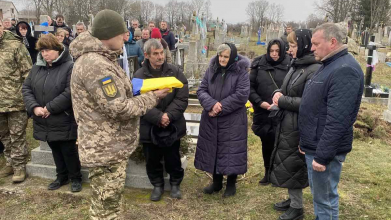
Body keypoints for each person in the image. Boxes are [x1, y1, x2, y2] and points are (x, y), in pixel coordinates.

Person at [69, 10, 169, 219]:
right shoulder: (95, 65)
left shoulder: (101, 59)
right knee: (106, 210)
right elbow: (119, 108)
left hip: (109, 146)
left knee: (110, 203)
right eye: (122, 33)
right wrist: (153, 97)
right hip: (105, 149)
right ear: (108, 35)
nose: (126, 37)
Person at [299, 23, 364, 220]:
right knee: (320, 198)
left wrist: (322, 156)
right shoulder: (329, 64)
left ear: (332, 42)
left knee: (325, 199)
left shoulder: (344, 69)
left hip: (324, 150)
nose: (311, 48)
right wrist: (305, 142)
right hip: (314, 145)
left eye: (315, 43)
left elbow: (338, 120)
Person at [269, 29, 321, 220]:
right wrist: (277, 92)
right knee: (289, 164)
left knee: (294, 165)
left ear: (304, 45)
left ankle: (297, 208)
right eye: (290, 46)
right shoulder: (297, 65)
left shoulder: (313, 69)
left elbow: (307, 102)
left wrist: (281, 100)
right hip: (288, 122)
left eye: (293, 46)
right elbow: (287, 89)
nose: (289, 50)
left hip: (299, 125)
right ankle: (292, 200)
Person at [22, 33, 82, 192]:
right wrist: (34, 107)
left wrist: (50, 108)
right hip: (43, 118)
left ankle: (75, 177)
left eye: (47, 50)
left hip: (63, 117)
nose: (45, 54)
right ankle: (61, 176)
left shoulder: (69, 66)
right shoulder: (36, 68)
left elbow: (70, 91)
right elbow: (27, 88)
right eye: (42, 51)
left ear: (58, 49)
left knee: (68, 149)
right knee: (54, 148)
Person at [134, 39, 189, 202]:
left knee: (173, 156)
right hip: (150, 125)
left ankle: (175, 184)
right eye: (156, 54)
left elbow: (182, 97)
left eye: (161, 53)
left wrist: (168, 116)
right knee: (152, 158)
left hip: (172, 124)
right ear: (146, 55)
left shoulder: (175, 72)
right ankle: (157, 185)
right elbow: (137, 100)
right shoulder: (139, 76)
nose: (160, 57)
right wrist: (158, 117)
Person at [195, 43, 250, 198]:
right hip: (211, 116)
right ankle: (217, 182)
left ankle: (231, 183)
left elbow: (242, 94)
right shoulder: (212, 69)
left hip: (232, 119)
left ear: (232, 57)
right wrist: (211, 104)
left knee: (231, 150)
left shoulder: (241, 72)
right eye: (220, 56)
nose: (222, 59)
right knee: (214, 147)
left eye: (226, 56)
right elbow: (202, 90)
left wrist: (221, 106)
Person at [249, 38, 290, 185]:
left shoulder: (290, 64)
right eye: (271, 51)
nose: (274, 54)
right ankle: (268, 172)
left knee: (283, 145)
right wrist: (260, 103)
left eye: (277, 51)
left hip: (283, 111)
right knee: (266, 143)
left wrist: (284, 101)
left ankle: (279, 173)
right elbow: (250, 87)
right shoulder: (259, 64)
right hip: (264, 112)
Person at [0, 18, 32, 183]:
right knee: (4, 135)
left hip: (15, 100)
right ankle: (10, 162)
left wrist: (28, 98)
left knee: (17, 134)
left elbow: (28, 73)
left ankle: (20, 166)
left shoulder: (15, 45)